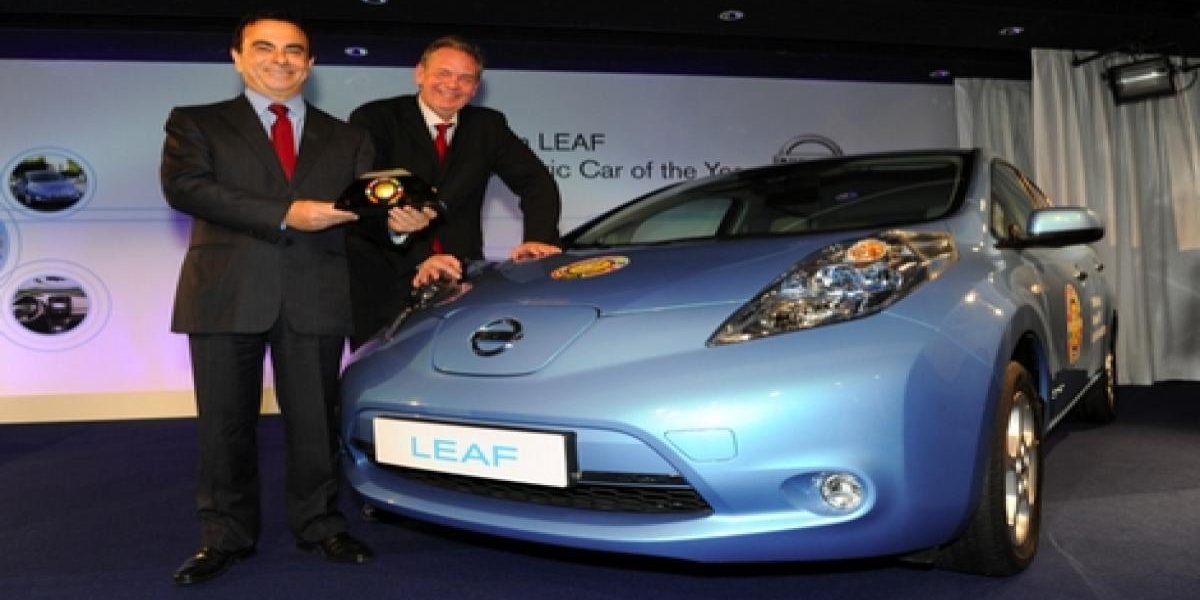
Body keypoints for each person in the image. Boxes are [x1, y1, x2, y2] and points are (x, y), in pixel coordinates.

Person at [160, 11, 434, 585]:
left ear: (309, 64)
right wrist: (287, 213)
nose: (280, 60)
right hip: (226, 294)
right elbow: (187, 189)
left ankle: (320, 524)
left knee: (315, 423)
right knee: (224, 427)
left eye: (294, 50)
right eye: (265, 47)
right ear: (238, 58)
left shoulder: (349, 137)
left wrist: (400, 227)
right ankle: (224, 537)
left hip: (316, 294)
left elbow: (367, 216)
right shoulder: (195, 122)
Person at [345, 35, 563, 349]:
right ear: (420, 74)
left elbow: (536, 182)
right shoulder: (376, 119)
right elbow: (370, 202)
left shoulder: (487, 126)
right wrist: (422, 259)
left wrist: (538, 239)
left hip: (459, 281)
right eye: (443, 73)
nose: (452, 85)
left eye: (465, 78)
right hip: (386, 277)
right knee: (381, 370)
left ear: (476, 88)